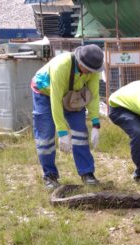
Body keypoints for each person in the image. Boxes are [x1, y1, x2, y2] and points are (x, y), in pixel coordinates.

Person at [31, 44, 104, 189]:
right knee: (45, 137)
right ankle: (49, 175)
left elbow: (94, 95)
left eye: (92, 71)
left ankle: (87, 173)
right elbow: (55, 100)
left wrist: (96, 123)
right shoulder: (61, 66)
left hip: (74, 94)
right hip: (45, 93)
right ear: (80, 62)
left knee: (80, 133)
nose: (90, 73)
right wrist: (62, 132)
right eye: (87, 69)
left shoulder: (94, 69)